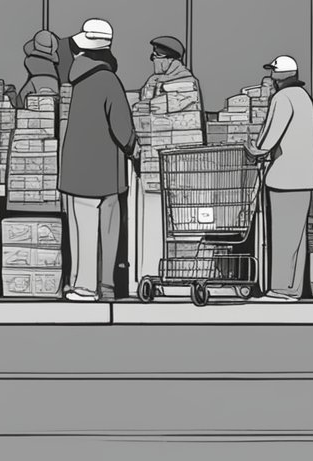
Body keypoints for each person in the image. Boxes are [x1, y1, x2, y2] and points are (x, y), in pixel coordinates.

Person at [58, 19, 140, 302]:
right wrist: (133, 147)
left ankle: (83, 285)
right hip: (108, 171)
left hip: (79, 170)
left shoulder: (78, 82)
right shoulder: (109, 81)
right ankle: (102, 287)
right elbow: (121, 125)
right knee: (108, 229)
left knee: (82, 230)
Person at [248, 55, 313, 302]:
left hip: (285, 178)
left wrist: (255, 149)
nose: (271, 77)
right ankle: (293, 289)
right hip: (305, 177)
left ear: (280, 77)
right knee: (296, 238)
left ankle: (280, 288)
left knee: (282, 237)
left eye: (273, 73)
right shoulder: (305, 99)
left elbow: (269, 136)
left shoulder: (282, 98)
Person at [141, 36, 202, 105]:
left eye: (158, 55)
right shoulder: (153, 79)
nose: (154, 60)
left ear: (172, 60)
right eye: (153, 56)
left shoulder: (186, 80)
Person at [18, 30, 61, 102]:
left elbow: (20, 101)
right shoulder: (54, 79)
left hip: (37, 82)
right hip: (53, 82)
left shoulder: (31, 62)